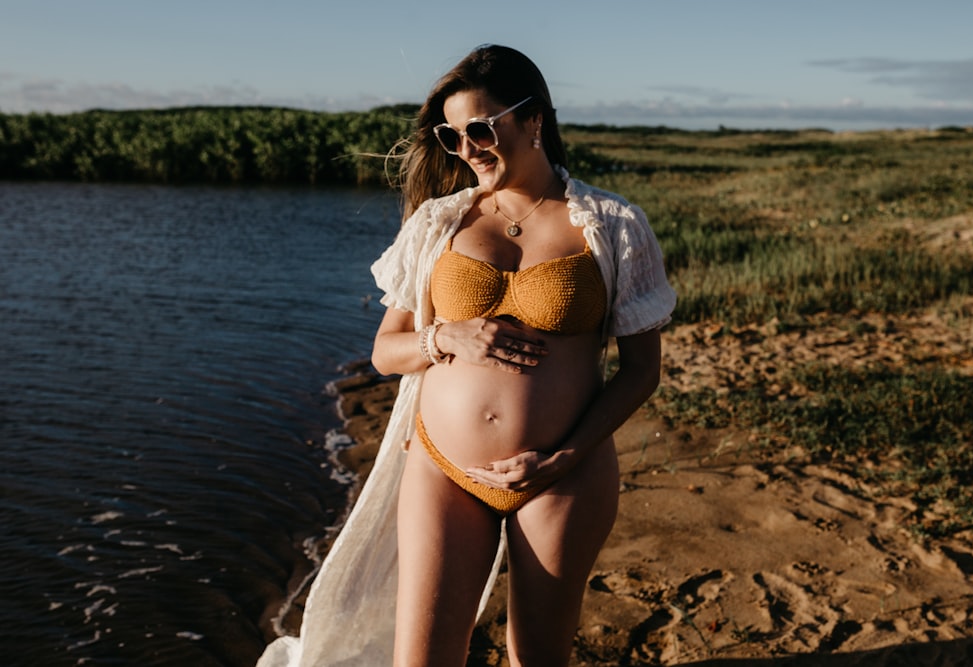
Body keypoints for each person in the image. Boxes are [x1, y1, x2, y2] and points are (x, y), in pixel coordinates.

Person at [256, 44, 675, 667]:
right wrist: (445, 337)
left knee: (536, 656)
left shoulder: (610, 223)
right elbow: (385, 353)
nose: (468, 149)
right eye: (453, 138)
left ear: (534, 120)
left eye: (481, 129)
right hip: (444, 469)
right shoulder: (437, 224)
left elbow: (641, 370)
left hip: (562, 473)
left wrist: (564, 455)